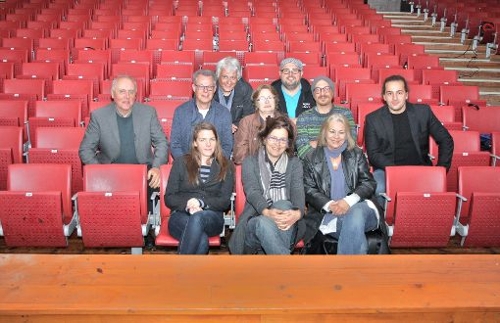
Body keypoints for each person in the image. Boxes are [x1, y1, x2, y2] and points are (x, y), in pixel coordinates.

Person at [364, 74, 454, 205]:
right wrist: (398, 172)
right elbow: (373, 154)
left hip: (420, 168)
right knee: (378, 188)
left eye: (399, 93)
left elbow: (446, 140)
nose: (394, 98)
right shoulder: (373, 119)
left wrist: (441, 169)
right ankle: (383, 223)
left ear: (406, 94)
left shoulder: (423, 112)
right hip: (387, 170)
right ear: (384, 97)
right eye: (390, 93)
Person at [302, 113, 381, 254]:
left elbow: (369, 183)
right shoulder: (311, 157)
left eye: (341, 132)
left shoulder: (356, 154)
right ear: (325, 132)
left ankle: (343, 271)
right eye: (332, 131)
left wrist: (348, 201)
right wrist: (330, 205)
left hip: (361, 209)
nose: (336, 136)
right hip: (329, 214)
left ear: (347, 135)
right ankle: (352, 271)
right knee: (353, 230)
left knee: (355, 213)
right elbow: (308, 189)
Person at [79, 74, 168, 197]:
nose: (127, 96)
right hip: (109, 173)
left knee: (150, 201)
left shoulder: (148, 113)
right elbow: (85, 149)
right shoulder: (99, 116)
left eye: (131, 92)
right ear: (113, 94)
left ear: (135, 95)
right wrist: (99, 171)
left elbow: (162, 142)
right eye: (122, 92)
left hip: (142, 172)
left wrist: (157, 167)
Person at [228, 115, 305, 255]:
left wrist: (298, 213)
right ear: (264, 139)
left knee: (283, 205)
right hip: (256, 218)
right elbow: (252, 192)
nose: (278, 143)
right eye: (273, 138)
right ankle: (286, 268)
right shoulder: (250, 162)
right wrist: (267, 212)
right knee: (262, 222)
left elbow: (298, 191)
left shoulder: (295, 164)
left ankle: (275, 264)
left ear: (288, 143)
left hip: (287, 219)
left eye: (283, 140)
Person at [165, 122, 234, 254]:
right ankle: (193, 274)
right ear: (195, 143)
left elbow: (224, 201)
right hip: (180, 216)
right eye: (203, 140)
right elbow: (170, 197)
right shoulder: (181, 162)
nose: (208, 144)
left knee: (198, 218)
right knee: (201, 240)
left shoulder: (226, 165)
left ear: (216, 141)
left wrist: (200, 202)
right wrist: (189, 204)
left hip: (212, 217)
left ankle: (179, 272)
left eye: (211, 139)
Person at [170, 69, 233, 160]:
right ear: (194, 88)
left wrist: (214, 165)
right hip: (186, 167)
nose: (205, 91)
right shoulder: (181, 112)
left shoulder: (224, 113)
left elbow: (227, 146)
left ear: (215, 89)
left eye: (209, 87)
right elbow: (175, 145)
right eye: (201, 87)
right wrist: (186, 165)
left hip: (215, 168)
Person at [296, 75, 356, 159]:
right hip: (314, 168)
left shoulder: (345, 113)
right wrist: (335, 143)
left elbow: (351, 142)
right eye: (318, 90)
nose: (322, 93)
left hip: (342, 163)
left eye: (326, 89)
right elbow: (302, 150)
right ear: (313, 95)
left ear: (332, 92)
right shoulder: (303, 118)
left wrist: (317, 143)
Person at [233, 84, 283, 164]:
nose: (267, 101)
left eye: (270, 98)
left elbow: (289, 153)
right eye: (262, 98)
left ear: (275, 100)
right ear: (256, 103)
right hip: (254, 170)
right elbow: (239, 155)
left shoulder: (285, 122)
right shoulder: (246, 122)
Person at [213, 56, 254, 133]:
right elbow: (203, 115)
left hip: (237, 132)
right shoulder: (209, 88)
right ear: (218, 76)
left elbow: (249, 117)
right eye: (225, 77)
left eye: (233, 77)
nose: (229, 82)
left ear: (237, 78)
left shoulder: (245, 89)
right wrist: (222, 125)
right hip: (213, 131)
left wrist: (236, 126)